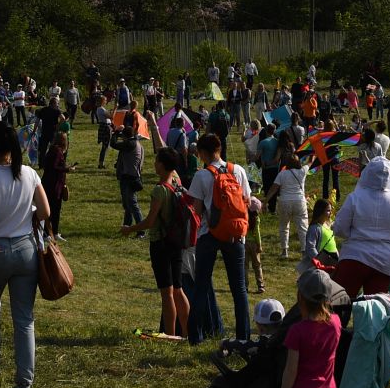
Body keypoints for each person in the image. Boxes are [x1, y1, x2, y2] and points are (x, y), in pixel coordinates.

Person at [0, 119, 52, 388]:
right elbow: (45, 212)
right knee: (24, 318)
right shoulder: (29, 173)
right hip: (25, 249)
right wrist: (27, 219)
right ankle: (25, 380)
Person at [186, 132, 254, 343]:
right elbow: (247, 201)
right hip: (235, 234)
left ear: (203, 153)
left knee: (201, 285)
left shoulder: (202, 175)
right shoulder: (239, 171)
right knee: (239, 289)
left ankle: (195, 336)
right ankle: (243, 336)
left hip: (209, 234)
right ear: (220, 149)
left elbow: (196, 209)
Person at [122, 146, 193, 337]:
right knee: (178, 289)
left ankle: (170, 334)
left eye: (156, 161)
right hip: (177, 242)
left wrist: (130, 229)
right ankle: (187, 333)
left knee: (166, 292)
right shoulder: (177, 182)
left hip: (160, 244)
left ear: (162, 165)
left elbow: (150, 221)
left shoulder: (159, 190)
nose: (154, 164)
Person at [331, 155, 390, 299]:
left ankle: (337, 322)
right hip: (384, 262)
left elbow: (339, 228)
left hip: (354, 257)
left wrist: (355, 236)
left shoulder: (355, 197)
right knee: (374, 311)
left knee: (339, 304)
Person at [269, 149, 309, 261]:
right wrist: (314, 150)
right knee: (302, 227)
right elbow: (311, 162)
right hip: (299, 201)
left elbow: (274, 188)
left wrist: (266, 201)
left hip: (284, 201)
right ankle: (304, 251)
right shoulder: (303, 171)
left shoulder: (282, 174)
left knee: (284, 226)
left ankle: (284, 251)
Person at [43, 130, 70, 242]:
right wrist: (67, 169)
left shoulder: (52, 150)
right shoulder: (57, 151)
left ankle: (52, 232)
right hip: (53, 185)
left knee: (52, 209)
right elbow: (54, 167)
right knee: (53, 209)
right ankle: (49, 233)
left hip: (50, 184)